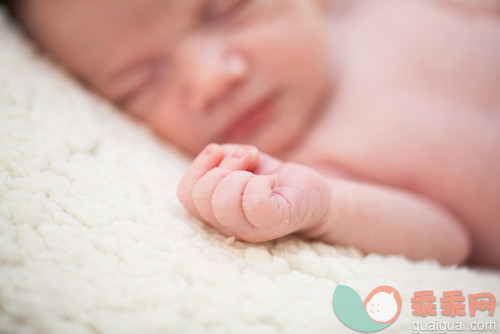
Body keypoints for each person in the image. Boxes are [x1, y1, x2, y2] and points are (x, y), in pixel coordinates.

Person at [5, 0, 500, 267]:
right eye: (141, 82)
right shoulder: (301, 167)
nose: (210, 79)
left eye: (226, 10)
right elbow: (446, 242)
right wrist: (322, 207)